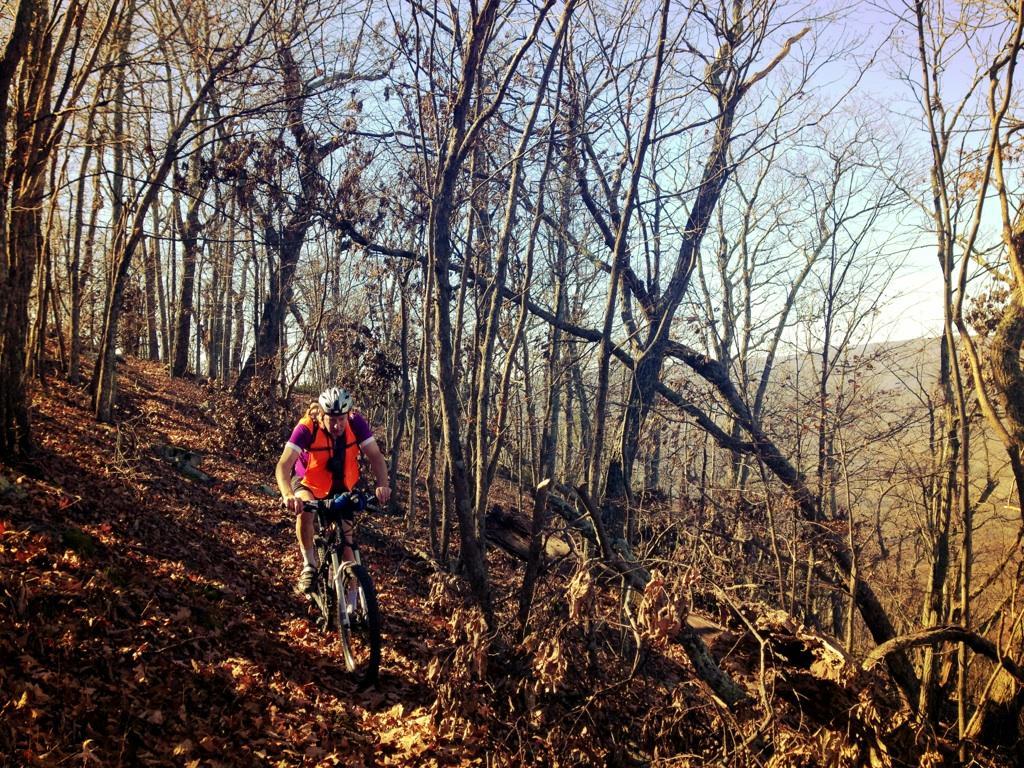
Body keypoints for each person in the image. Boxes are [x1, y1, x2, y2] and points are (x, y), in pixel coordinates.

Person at [275, 386, 392, 593]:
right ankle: (309, 564)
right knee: (305, 511)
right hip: (307, 481)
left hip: (341, 485)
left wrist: (383, 485)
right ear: (321, 415)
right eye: (331, 419)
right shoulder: (307, 427)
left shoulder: (356, 424)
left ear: (348, 415)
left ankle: (354, 600)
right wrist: (288, 495)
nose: (337, 425)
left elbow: (376, 456)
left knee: (347, 543)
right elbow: (283, 466)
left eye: (341, 419)